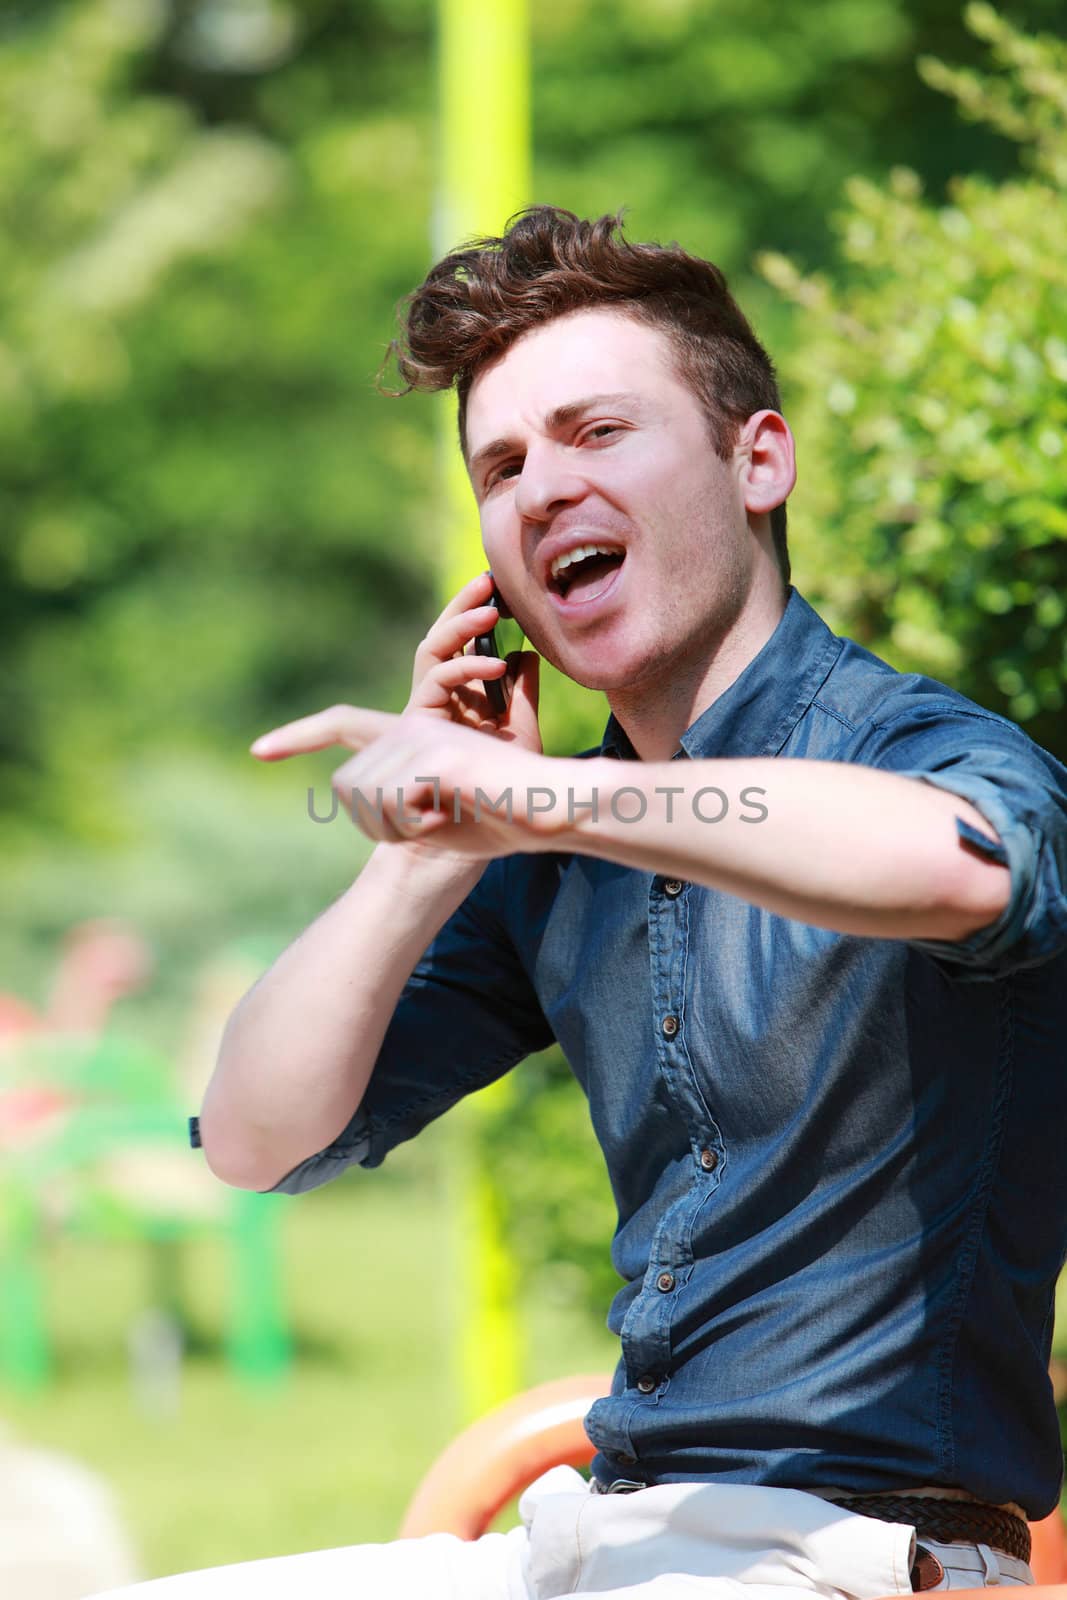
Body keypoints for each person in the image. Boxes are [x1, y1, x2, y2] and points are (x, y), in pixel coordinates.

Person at [91, 208, 1067, 1598]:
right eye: (502, 464)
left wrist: (547, 800)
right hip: (603, 1536)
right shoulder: (544, 853)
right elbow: (252, 1139)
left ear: (758, 460)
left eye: (597, 434)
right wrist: (426, 852)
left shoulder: (913, 751)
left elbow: (961, 865)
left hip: (853, 1555)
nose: (541, 489)